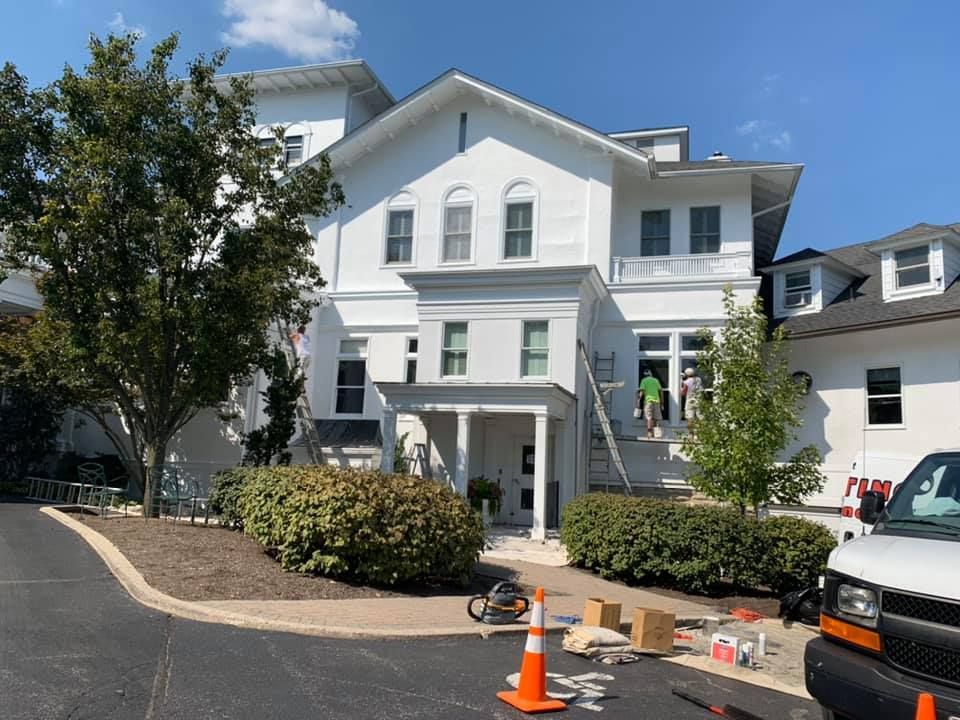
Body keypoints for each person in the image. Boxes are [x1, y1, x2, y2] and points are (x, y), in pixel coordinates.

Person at [637, 369, 663, 439]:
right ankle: (657, 434)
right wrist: (662, 402)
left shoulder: (644, 381)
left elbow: (641, 392)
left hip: (648, 402)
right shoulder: (656, 380)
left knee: (649, 418)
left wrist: (638, 401)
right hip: (657, 401)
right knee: (656, 418)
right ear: (651, 374)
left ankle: (650, 433)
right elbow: (661, 391)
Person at [681, 366, 704, 437]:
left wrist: (681, 385)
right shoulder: (699, 379)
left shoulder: (686, 382)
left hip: (690, 401)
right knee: (701, 418)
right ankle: (702, 434)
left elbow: (683, 393)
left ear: (686, 374)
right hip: (699, 400)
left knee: (690, 418)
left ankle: (691, 435)